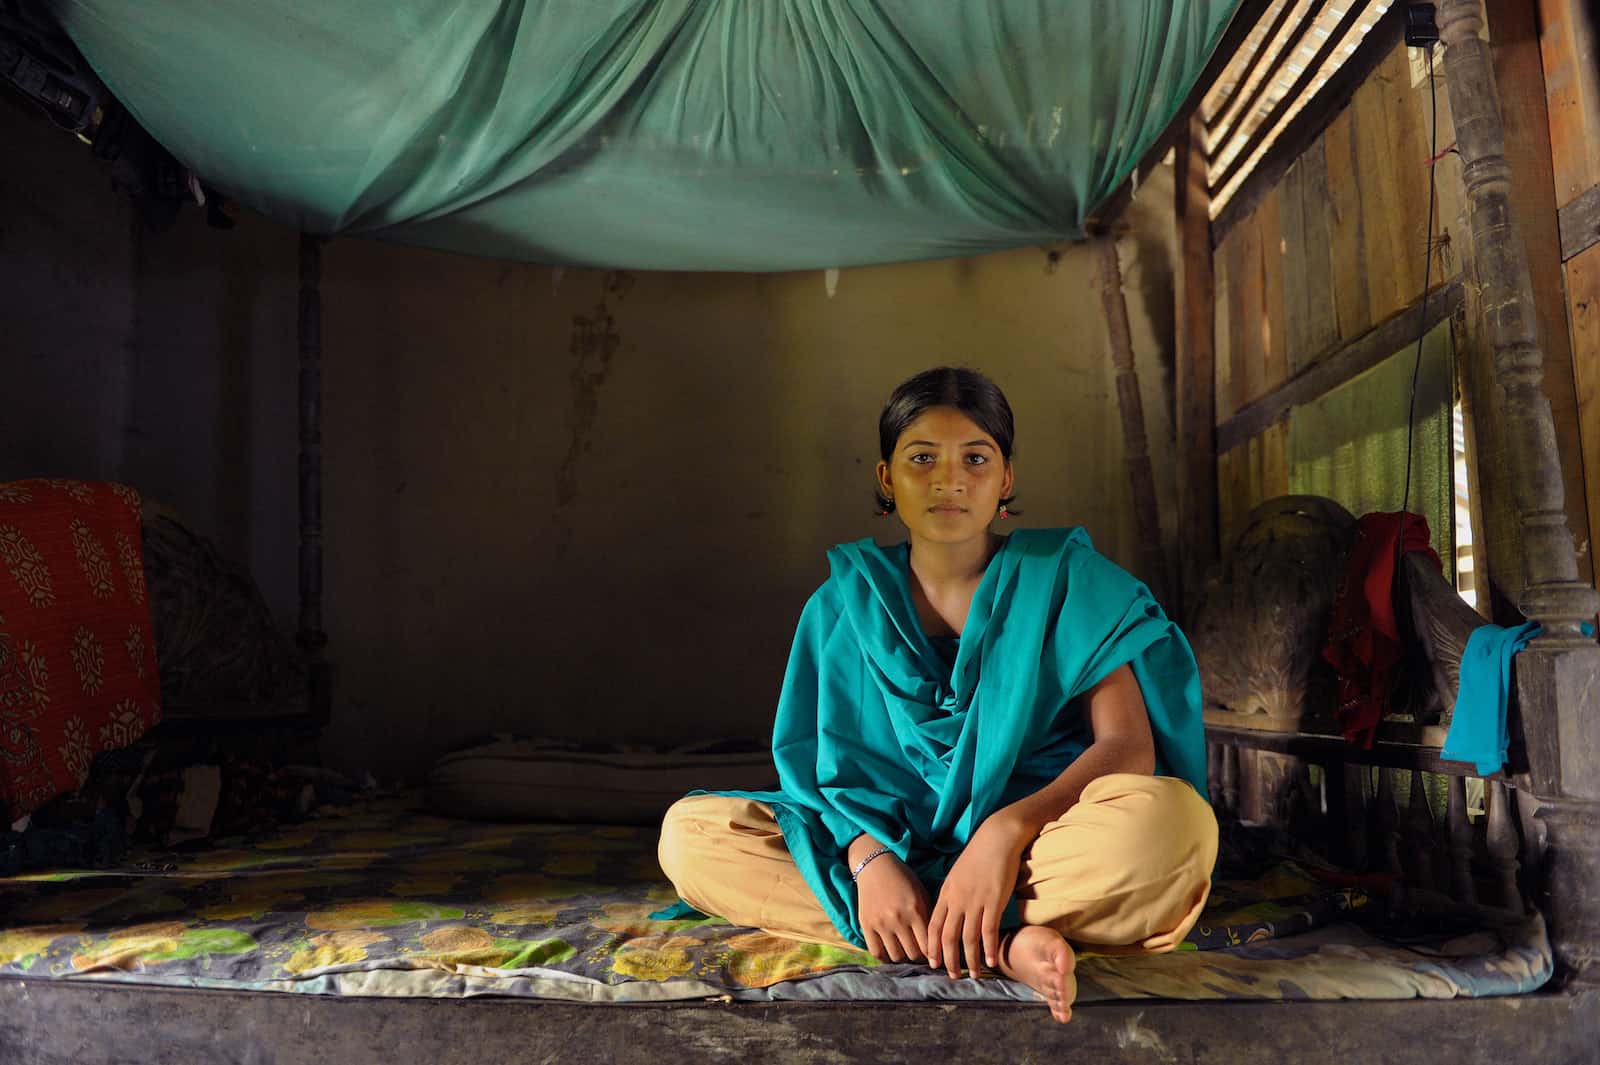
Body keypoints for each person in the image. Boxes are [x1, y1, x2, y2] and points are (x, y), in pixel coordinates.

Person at [657, 366, 1217, 1023]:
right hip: (882, 847)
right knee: (691, 836)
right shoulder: (843, 603)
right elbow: (811, 773)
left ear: (1005, 479)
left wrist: (1003, 834)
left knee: (1172, 830)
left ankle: (940, 924)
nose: (950, 479)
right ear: (887, 479)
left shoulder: (1063, 577)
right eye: (922, 457)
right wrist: (868, 861)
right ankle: (999, 945)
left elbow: (1126, 746)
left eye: (975, 457)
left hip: (1038, 843)